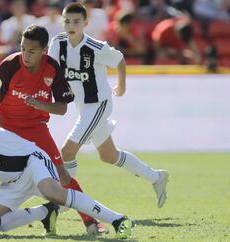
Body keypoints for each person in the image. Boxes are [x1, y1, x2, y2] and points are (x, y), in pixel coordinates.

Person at [0, 116, 134, 239]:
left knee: (51, 192)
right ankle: (43, 213)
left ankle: (118, 220)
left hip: (32, 161)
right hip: (14, 181)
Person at [0, 24, 107, 234]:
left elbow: (62, 108)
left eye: (32, 51)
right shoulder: (9, 65)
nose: (25, 54)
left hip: (35, 128)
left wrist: (41, 105)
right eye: (23, 48)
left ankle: (91, 222)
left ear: (44, 50)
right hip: (4, 126)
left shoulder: (52, 67)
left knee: (63, 176)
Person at [48, 2, 169, 208]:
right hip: (82, 107)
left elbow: (119, 59)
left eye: (77, 21)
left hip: (99, 104)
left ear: (86, 23)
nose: (71, 25)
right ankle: (157, 177)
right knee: (108, 155)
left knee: (67, 153)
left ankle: (64, 203)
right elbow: (50, 70)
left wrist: (121, 85)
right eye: (67, 21)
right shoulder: (57, 44)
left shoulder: (96, 47)